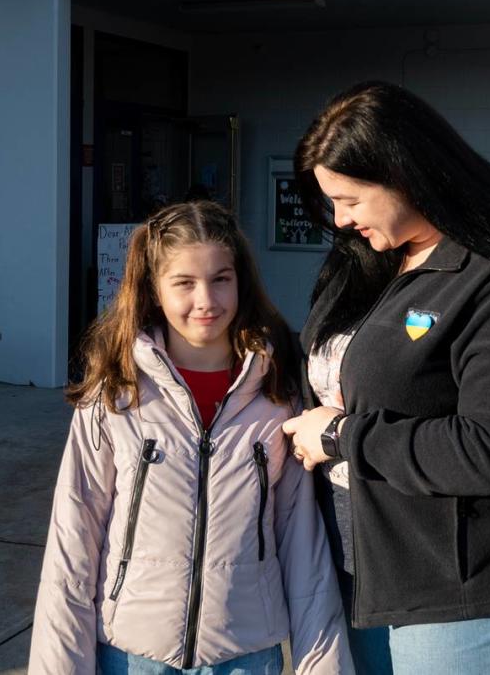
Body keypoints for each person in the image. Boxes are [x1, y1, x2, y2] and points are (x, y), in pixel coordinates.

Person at [282, 81, 490, 674]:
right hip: (355, 565)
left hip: (456, 587)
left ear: (405, 174)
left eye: (350, 199)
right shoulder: (368, 259)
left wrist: (343, 435)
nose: (340, 220)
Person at [28, 201, 353, 675]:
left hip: (246, 655)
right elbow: (73, 540)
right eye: (184, 283)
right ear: (154, 290)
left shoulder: (277, 395)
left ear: (241, 281)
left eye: (221, 278)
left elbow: (302, 542)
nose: (207, 300)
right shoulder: (116, 395)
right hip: (133, 656)